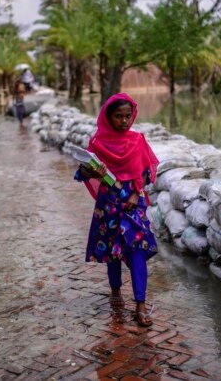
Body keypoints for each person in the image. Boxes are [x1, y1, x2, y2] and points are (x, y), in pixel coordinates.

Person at [74, 93, 159, 327]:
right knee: (113, 251)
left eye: (127, 116)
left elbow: (146, 172)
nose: (123, 121)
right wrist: (95, 172)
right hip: (109, 204)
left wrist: (136, 193)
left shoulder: (138, 140)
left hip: (133, 204)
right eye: (118, 116)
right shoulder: (98, 144)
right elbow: (81, 173)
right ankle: (115, 291)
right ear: (108, 118)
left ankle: (140, 304)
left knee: (137, 250)